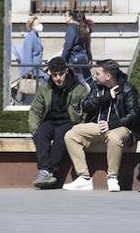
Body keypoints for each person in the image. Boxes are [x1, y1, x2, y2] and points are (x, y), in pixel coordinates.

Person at [63, 59, 140, 192]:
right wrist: (105, 97)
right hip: (98, 126)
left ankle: (112, 178)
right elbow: (86, 106)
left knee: (114, 137)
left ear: (108, 76)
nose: (95, 76)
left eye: (98, 73)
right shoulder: (96, 87)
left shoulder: (128, 89)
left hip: (121, 127)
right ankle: (84, 178)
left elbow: (133, 115)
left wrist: (112, 124)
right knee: (71, 135)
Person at [29, 57, 88, 189]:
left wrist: (80, 129)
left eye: (60, 74)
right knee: (41, 133)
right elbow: (35, 111)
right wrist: (34, 130)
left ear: (66, 71)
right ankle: (44, 171)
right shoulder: (45, 88)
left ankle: (50, 171)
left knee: (61, 134)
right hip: (50, 121)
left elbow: (86, 113)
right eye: (54, 75)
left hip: (70, 122)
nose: (57, 78)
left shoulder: (79, 89)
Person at [61, 9, 91, 80]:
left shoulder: (71, 28)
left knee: (78, 80)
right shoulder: (80, 27)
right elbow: (87, 44)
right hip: (82, 56)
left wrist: (63, 59)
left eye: (65, 16)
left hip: (74, 57)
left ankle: (88, 91)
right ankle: (92, 90)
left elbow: (68, 45)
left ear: (71, 17)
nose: (64, 18)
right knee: (86, 79)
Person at [20, 16, 46, 81]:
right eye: (37, 24)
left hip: (38, 70)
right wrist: (29, 71)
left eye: (40, 23)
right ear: (32, 26)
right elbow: (27, 55)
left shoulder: (36, 36)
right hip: (33, 72)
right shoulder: (30, 37)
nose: (40, 25)